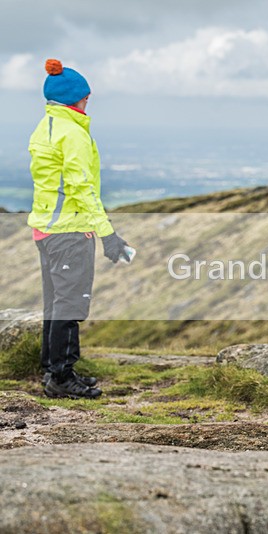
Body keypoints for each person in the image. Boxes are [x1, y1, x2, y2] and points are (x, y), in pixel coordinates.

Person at [29, 59, 131, 399]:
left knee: (56, 305)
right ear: (75, 100)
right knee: (71, 305)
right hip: (71, 232)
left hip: (47, 230)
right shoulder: (73, 134)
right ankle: (61, 377)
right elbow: (81, 188)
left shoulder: (45, 127)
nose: (88, 103)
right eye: (86, 98)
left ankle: (54, 369)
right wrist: (107, 234)